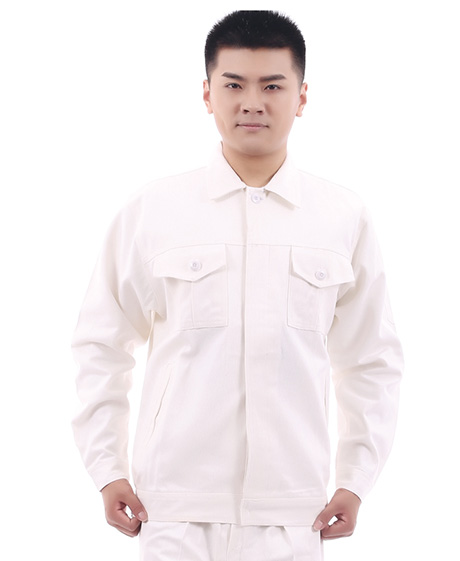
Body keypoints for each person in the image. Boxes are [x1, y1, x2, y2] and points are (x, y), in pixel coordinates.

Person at [71, 10, 403, 561]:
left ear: (301, 97)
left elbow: (372, 359)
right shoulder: (154, 210)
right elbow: (100, 345)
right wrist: (107, 468)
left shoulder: (342, 217)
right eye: (233, 85)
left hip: (294, 515)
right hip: (172, 510)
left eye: (272, 86)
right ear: (207, 94)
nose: (252, 102)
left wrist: (356, 478)